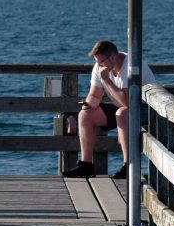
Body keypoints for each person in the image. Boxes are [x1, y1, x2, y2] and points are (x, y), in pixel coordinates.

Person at [62, 40, 155, 179]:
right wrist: (88, 105)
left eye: (101, 62)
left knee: (122, 113)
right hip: (123, 107)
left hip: (147, 108)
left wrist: (107, 79)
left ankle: (128, 166)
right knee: (85, 115)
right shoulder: (100, 67)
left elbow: (127, 102)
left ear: (112, 57)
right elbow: (94, 95)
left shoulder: (130, 66)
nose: (99, 65)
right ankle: (86, 165)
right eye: (96, 61)